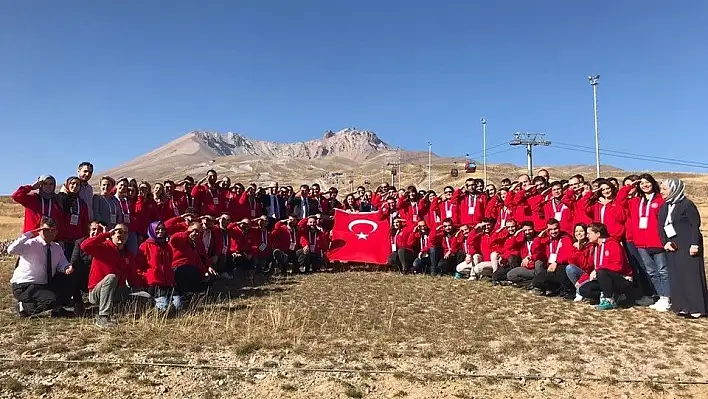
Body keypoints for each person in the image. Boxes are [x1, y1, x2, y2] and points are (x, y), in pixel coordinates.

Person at [658, 179, 708, 318]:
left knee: (690, 276)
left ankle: (696, 308)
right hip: (672, 246)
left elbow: (694, 226)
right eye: (661, 189)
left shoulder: (686, 205)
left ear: (674, 189)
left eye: (665, 189)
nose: (661, 192)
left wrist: (694, 244)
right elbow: (661, 227)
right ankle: (682, 306)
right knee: (677, 275)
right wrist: (665, 242)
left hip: (688, 245)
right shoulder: (665, 206)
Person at [617, 174, 668, 310]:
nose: (645, 185)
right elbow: (619, 200)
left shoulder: (660, 200)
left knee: (663, 271)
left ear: (653, 183)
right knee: (651, 271)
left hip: (657, 241)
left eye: (647, 182)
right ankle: (660, 296)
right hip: (641, 243)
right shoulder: (635, 201)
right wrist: (630, 186)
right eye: (642, 183)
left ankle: (668, 297)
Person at [8, 217, 75, 317]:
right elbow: (11, 250)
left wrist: (67, 268)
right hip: (25, 285)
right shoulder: (31, 244)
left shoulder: (56, 247)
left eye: (54, 231)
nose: (51, 233)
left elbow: (62, 264)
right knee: (51, 300)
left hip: (44, 285)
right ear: (39, 231)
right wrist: (30, 234)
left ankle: (53, 307)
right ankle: (23, 308)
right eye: (47, 230)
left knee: (66, 288)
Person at [82, 224, 144, 327]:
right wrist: (104, 235)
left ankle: (121, 312)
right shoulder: (103, 247)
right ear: (112, 234)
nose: (122, 235)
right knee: (112, 277)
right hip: (97, 293)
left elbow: (133, 277)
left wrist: (141, 290)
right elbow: (84, 246)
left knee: (145, 297)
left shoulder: (128, 254)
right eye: (119, 232)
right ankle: (103, 317)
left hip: (117, 291)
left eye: (125, 233)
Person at [578, 223, 634, 310]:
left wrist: (598, 269)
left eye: (589, 233)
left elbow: (618, 266)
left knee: (601, 272)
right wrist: (580, 249)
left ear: (598, 234)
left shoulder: (612, 244)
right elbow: (588, 267)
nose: (587, 236)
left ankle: (609, 299)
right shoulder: (594, 247)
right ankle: (608, 295)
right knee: (583, 290)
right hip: (603, 279)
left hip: (621, 279)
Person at [136, 221, 179, 311]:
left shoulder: (167, 247)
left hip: (168, 281)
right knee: (164, 308)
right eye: (157, 229)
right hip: (153, 281)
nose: (160, 231)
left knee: (178, 305)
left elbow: (170, 262)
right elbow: (139, 266)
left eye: (162, 229)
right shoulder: (144, 246)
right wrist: (143, 279)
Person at [170, 222, 217, 297]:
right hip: (177, 269)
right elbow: (173, 240)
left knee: (211, 275)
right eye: (195, 231)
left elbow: (198, 261)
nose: (197, 234)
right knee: (189, 270)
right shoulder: (180, 239)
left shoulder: (194, 245)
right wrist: (188, 232)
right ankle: (187, 293)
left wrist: (206, 270)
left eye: (199, 232)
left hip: (191, 270)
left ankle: (196, 293)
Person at [532, 219, 575, 298]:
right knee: (536, 281)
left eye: (555, 228)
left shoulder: (566, 238)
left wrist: (557, 262)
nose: (553, 231)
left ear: (559, 228)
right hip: (550, 268)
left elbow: (568, 254)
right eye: (550, 229)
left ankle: (567, 291)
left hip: (561, 267)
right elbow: (534, 249)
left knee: (561, 269)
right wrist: (539, 237)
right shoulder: (547, 239)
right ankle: (555, 289)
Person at [57, 176, 90, 260]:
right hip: (62, 239)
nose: (75, 186)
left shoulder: (82, 203)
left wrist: (84, 237)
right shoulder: (59, 199)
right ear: (67, 184)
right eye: (72, 183)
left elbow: (85, 221)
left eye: (78, 185)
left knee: (74, 264)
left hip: (77, 240)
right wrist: (59, 238)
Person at [506, 221, 545, 288]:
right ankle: (530, 283)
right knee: (510, 275)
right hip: (527, 268)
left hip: (537, 268)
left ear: (533, 229)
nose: (527, 232)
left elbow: (542, 254)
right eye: (525, 230)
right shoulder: (522, 242)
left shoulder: (539, 239)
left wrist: (530, 257)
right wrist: (516, 234)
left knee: (538, 262)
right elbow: (509, 246)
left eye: (530, 229)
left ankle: (538, 283)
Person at [564, 223, 592, 301]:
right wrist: (575, 249)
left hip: (588, 273)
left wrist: (580, 250)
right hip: (579, 272)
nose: (578, 233)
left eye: (581, 231)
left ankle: (580, 291)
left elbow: (586, 265)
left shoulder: (591, 245)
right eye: (576, 231)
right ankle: (579, 290)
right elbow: (571, 262)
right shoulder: (574, 245)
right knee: (569, 268)